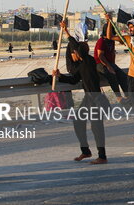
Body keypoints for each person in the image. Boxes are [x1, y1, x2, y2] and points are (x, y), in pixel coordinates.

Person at [54, 20, 108, 165]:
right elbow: (73, 80)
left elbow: (77, 46)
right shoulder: (81, 66)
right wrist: (59, 76)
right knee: (78, 122)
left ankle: (102, 156)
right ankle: (86, 151)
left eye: (74, 52)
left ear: (78, 52)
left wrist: (66, 31)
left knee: (97, 128)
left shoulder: (88, 61)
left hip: (95, 98)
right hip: (88, 98)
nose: (72, 55)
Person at [95, 16, 128, 103]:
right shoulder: (101, 41)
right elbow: (100, 56)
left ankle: (128, 95)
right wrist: (109, 66)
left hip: (110, 63)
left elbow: (112, 53)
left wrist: (113, 65)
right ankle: (118, 97)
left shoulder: (111, 41)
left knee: (123, 76)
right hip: (100, 64)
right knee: (112, 75)